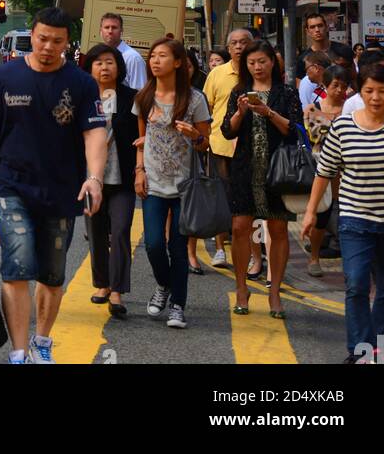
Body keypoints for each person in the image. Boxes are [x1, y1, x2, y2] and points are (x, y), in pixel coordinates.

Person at [0, 7, 107, 364]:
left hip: (62, 190)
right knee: (17, 266)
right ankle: (18, 352)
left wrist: (94, 178)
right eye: (42, 38)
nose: (47, 46)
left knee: (52, 275)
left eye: (57, 41)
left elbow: (95, 133)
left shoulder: (82, 83)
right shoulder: (4, 77)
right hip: (10, 186)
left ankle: (42, 341)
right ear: (33, 36)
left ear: (67, 42)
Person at [302, 62, 384, 363]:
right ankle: (359, 350)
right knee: (355, 283)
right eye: (369, 90)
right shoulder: (343, 126)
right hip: (355, 217)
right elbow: (324, 172)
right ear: (361, 92)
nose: (376, 97)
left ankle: (376, 347)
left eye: (382, 91)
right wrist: (310, 212)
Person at [220, 39, 302, 318]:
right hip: (245, 169)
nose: (257, 67)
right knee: (240, 227)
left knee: (278, 231)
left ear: (272, 63)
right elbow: (227, 132)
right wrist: (241, 112)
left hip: (278, 171)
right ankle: (242, 288)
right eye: (251, 62)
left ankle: (275, 292)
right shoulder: (239, 92)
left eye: (262, 61)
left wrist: (268, 113)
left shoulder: (287, 93)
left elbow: (294, 130)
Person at [134, 38, 211, 330]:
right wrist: (139, 171)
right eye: (152, 56)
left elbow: (206, 144)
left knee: (178, 249)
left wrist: (194, 135)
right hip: (153, 183)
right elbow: (141, 141)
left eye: (162, 56)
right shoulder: (144, 97)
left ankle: (178, 305)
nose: (155, 61)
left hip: (185, 187)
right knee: (153, 244)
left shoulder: (194, 99)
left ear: (177, 62)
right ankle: (163, 286)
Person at [82, 42, 138, 318]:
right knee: (96, 232)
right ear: (89, 67)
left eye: (110, 62)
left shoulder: (132, 97)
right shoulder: (82, 96)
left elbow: (142, 135)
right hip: (92, 178)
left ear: (119, 66)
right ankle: (102, 284)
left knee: (121, 229)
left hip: (124, 175)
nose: (104, 67)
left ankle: (117, 290)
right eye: (99, 63)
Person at [204, 27, 261, 271]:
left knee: (251, 204)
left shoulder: (258, 72)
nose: (239, 47)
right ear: (228, 49)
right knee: (222, 200)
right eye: (234, 43)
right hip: (220, 145)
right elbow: (206, 109)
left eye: (243, 42)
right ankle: (219, 248)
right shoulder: (217, 74)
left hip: (253, 148)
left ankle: (253, 254)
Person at [303, 64, 350, 276]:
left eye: (343, 86)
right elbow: (317, 137)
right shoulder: (312, 108)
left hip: (347, 171)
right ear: (325, 85)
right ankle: (314, 258)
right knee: (321, 215)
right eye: (335, 85)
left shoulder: (352, 108)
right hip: (322, 166)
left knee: (346, 215)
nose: (339, 90)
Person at [97, 12, 146, 90]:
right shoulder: (97, 55)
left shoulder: (133, 58)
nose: (110, 31)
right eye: (106, 27)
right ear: (101, 31)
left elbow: (139, 93)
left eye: (114, 27)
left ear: (121, 31)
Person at [296, 11, 350, 80]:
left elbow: (353, 78)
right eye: (312, 27)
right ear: (307, 31)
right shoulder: (303, 59)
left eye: (320, 25)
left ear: (326, 27)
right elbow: (300, 86)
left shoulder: (343, 50)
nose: (317, 30)